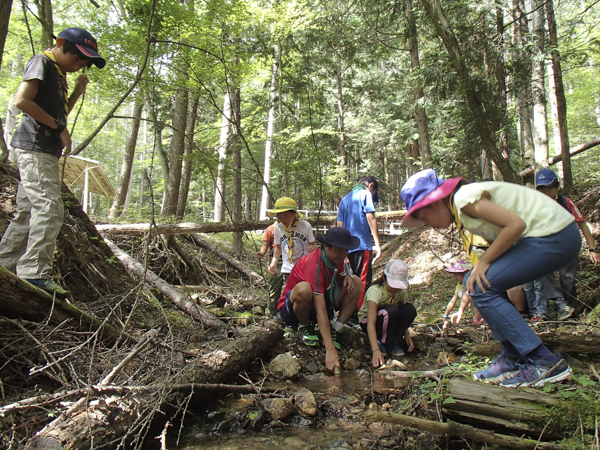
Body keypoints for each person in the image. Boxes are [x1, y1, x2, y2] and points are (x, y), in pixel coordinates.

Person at [401, 168, 580, 388]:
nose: (426, 224)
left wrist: (485, 265)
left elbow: (515, 225)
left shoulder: (464, 198)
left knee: (479, 286)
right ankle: (513, 354)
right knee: (472, 283)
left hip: (555, 235)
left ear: (435, 202)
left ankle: (542, 360)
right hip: (547, 237)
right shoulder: (461, 206)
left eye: (422, 216)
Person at [0, 28, 106, 299]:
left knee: (28, 212)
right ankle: (34, 272)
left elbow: (59, 112)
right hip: (34, 147)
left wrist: (77, 92)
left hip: (43, 149)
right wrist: (59, 127)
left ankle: (4, 266)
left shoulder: (60, 76)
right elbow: (23, 100)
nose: (79, 64)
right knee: (50, 207)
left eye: (84, 63)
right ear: (60, 44)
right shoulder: (42, 62)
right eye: (77, 58)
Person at [278, 227, 362, 371]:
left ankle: (336, 327)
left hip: (314, 303)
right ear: (326, 247)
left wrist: (346, 277)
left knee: (355, 281)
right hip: (293, 308)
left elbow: (339, 276)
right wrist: (330, 349)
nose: (342, 254)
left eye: (345, 250)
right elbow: (320, 309)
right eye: (338, 250)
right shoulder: (314, 263)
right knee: (305, 289)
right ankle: (304, 327)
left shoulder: (336, 258)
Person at [524, 168, 600, 322]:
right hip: (547, 247)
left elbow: (582, 224)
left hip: (567, 246)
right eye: (542, 189)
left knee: (567, 278)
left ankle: (570, 312)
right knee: (542, 272)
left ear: (556, 186)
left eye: (549, 188)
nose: (546, 192)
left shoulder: (566, 202)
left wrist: (593, 249)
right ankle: (560, 304)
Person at [358, 259, 416, 367]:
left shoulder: (400, 292)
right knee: (390, 310)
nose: (395, 289)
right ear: (384, 278)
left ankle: (395, 340)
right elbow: (370, 322)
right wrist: (375, 349)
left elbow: (402, 311)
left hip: (389, 320)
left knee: (409, 309)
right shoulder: (375, 291)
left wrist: (406, 334)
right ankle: (383, 342)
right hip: (370, 322)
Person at [336, 175, 382, 310]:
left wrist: (340, 248)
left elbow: (340, 224)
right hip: (362, 245)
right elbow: (371, 217)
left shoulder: (345, 199)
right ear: (371, 185)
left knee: (351, 280)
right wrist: (377, 245)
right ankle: (359, 315)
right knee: (362, 282)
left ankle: (348, 313)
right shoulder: (366, 194)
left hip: (347, 248)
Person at [267, 197, 316, 285]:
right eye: (280, 217)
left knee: (306, 293)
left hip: (305, 267)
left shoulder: (305, 225)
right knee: (290, 295)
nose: (283, 220)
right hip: (288, 269)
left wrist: (313, 247)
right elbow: (278, 247)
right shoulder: (278, 227)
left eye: (286, 216)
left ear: (294, 213)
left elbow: (314, 244)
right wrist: (274, 262)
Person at [256, 223, 282, 316]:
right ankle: (271, 312)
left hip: (291, 259)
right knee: (274, 285)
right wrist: (262, 253)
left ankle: (287, 312)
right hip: (276, 260)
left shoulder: (293, 228)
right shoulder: (271, 229)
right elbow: (265, 245)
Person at [442, 259, 477, 329]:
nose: (455, 278)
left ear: (463, 274)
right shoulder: (460, 285)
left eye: (456, 275)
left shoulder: (472, 281)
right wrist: (445, 315)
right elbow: (453, 301)